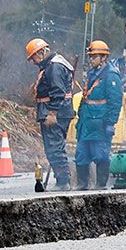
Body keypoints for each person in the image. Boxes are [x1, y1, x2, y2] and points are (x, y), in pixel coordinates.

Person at [28, 38, 75, 189]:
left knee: (55, 147)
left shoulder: (54, 67)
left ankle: (63, 182)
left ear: (41, 53)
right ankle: (61, 179)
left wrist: (52, 113)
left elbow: (58, 92)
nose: (34, 62)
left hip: (56, 113)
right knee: (53, 147)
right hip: (56, 111)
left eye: (34, 57)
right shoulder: (50, 65)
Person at [75, 40, 122, 189]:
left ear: (103, 58)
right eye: (90, 57)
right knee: (81, 155)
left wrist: (110, 123)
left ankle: (100, 185)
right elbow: (85, 98)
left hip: (100, 124)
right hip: (86, 123)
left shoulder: (111, 76)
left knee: (100, 155)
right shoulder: (91, 74)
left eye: (94, 56)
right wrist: (80, 116)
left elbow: (115, 103)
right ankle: (82, 185)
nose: (91, 59)